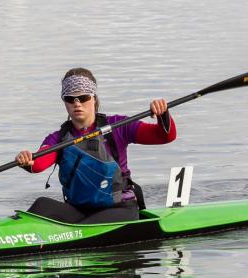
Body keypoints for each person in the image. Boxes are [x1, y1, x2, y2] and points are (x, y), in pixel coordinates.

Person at [15, 67, 176, 224]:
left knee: (87, 224)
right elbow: (37, 164)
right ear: (64, 102)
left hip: (119, 209)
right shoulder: (58, 138)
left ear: (93, 98)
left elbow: (164, 136)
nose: (77, 104)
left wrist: (163, 114)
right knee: (42, 204)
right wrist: (27, 160)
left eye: (83, 97)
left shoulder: (118, 126)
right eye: (70, 99)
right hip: (79, 211)